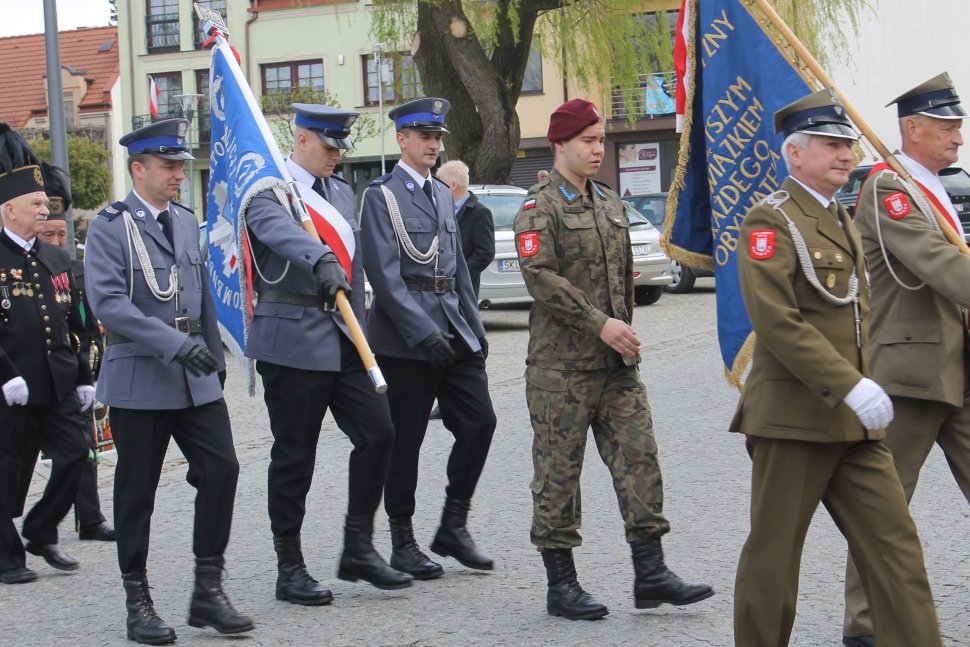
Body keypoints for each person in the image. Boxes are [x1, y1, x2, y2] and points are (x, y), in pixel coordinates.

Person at [731, 88, 942, 647]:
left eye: (847, 144)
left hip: (855, 425)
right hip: (794, 421)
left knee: (897, 552)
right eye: (830, 144)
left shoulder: (840, 217)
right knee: (775, 560)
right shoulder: (771, 220)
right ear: (794, 153)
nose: (846, 154)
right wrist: (849, 384)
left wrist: (861, 387)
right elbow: (776, 320)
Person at [513, 98, 712, 621]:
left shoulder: (609, 202)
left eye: (601, 140)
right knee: (558, 476)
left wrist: (621, 329)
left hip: (616, 368)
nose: (598, 149)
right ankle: (562, 585)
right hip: (561, 372)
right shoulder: (539, 208)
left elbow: (621, 279)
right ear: (560, 144)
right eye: (588, 141)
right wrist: (600, 323)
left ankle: (651, 573)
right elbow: (540, 277)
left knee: (640, 461)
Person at [85, 119, 252, 645]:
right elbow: (109, 304)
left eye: (181, 165)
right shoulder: (110, 226)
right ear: (138, 169)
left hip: (194, 377)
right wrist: (175, 344)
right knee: (137, 491)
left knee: (221, 470)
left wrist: (215, 356)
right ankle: (138, 600)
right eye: (168, 165)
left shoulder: (184, 219)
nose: (179, 173)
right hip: (140, 375)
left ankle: (208, 589)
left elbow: (200, 293)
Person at [245, 103, 411, 605]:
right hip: (292, 341)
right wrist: (320, 259)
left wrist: (365, 334)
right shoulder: (268, 192)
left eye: (340, 147)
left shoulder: (339, 192)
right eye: (328, 146)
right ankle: (289, 566)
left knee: (379, 432)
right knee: (295, 455)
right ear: (301, 141)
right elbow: (279, 233)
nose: (336, 155)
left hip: (343, 337)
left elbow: (353, 271)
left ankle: (358, 546)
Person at [842, 72, 970, 647]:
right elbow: (936, 263)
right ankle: (866, 625)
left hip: (959, 368)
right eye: (947, 127)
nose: (958, 137)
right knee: (885, 507)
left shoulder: (931, 185)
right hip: (910, 373)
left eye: (959, 127)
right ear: (912, 129)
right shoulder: (889, 188)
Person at [360, 97, 496, 580]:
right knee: (407, 438)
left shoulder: (442, 193)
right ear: (402, 140)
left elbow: (457, 269)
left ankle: (453, 525)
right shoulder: (381, 196)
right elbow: (384, 275)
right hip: (403, 338)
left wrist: (473, 330)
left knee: (480, 422)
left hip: (452, 327)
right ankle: (402, 540)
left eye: (437, 137)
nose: (434, 144)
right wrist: (421, 331)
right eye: (425, 136)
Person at [0, 125, 92, 584]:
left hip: (55, 383)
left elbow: (71, 324)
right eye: (36, 203)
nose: (45, 208)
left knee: (75, 454)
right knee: (6, 472)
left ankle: (40, 529)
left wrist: (84, 376)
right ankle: (7, 558)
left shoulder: (54, 259)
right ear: (9, 208)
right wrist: (5, 374)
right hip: (9, 387)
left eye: (44, 202)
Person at [38, 170, 115, 543]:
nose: (56, 242)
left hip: (69, 373)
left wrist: (89, 371)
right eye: (47, 235)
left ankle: (90, 518)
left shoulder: (75, 271)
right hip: (28, 375)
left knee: (83, 448)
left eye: (61, 235)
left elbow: (86, 326)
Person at [436, 160, 495, 297]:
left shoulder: (480, 213)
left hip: (463, 290)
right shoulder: (440, 209)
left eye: (440, 183)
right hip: (440, 288)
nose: (436, 188)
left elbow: (485, 253)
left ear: (453, 186)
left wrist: (459, 275)